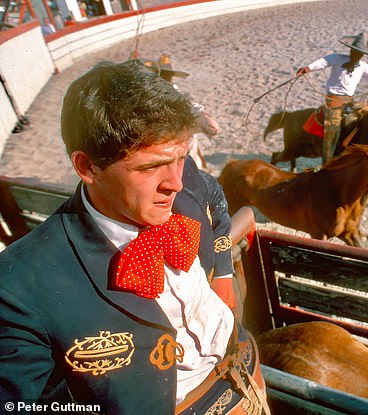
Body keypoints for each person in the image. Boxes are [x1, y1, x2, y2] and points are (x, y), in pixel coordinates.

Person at [0, 60, 269, 414]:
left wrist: (221, 272)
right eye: (148, 167)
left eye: (181, 157)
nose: (175, 182)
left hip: (249, 371)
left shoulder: (182, 176)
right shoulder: (18, 286)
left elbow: (217, 205)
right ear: (87, 167)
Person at [296, 32, 368, 163]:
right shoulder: (337, 58)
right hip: (333, 99)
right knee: (333, 126)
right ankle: (327, 160)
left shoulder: (363, 67)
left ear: (363, 55)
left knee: (367, 115)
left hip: (349, 100)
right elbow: (323, 62)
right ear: (350, 50)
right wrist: (308, 68)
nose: (356, 54)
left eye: (359, 53)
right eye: (354, 51)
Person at [144, 54, 221, 171]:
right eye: (165, 74)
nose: (167, 78)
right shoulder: (151, 98)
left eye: (168, 75)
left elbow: (190, 109)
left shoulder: (174, 94)